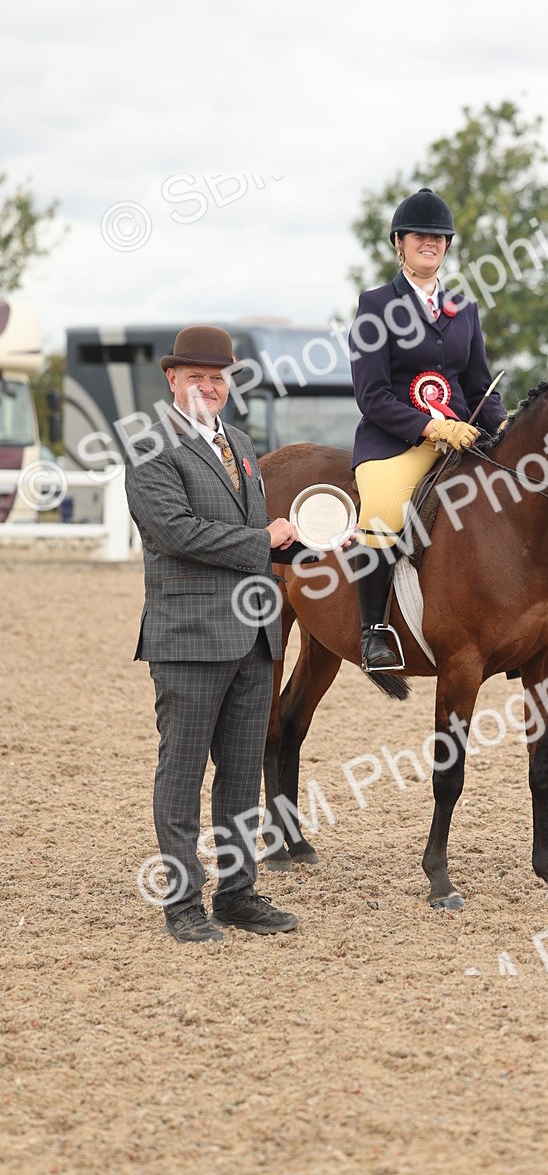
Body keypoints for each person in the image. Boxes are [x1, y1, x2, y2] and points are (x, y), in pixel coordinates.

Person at [125, 325, 306, 944]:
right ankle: (181, 903)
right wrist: (264, 540)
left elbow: (256, 534)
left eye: (218, 377)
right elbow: (177, 533)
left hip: (255, 636)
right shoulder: (152, 447)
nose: (209, 386)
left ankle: (237, 893)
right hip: (190, 636)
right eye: (197, 376)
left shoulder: (243, 446)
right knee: (181, 772)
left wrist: (307, 542)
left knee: (239, 775)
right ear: (172, 380)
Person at [349, 187, 507, 671]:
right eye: (421, 236)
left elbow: (481, 385)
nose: (431, 243)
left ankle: (519, 625)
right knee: (381, 506)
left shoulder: (464, 310)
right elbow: (370, 394)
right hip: (396, 441)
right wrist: (431, 429)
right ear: (399, 243)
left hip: (465, 436)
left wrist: (506, 427)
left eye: (439, 238)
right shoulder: (375, 305)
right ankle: (374, 629)